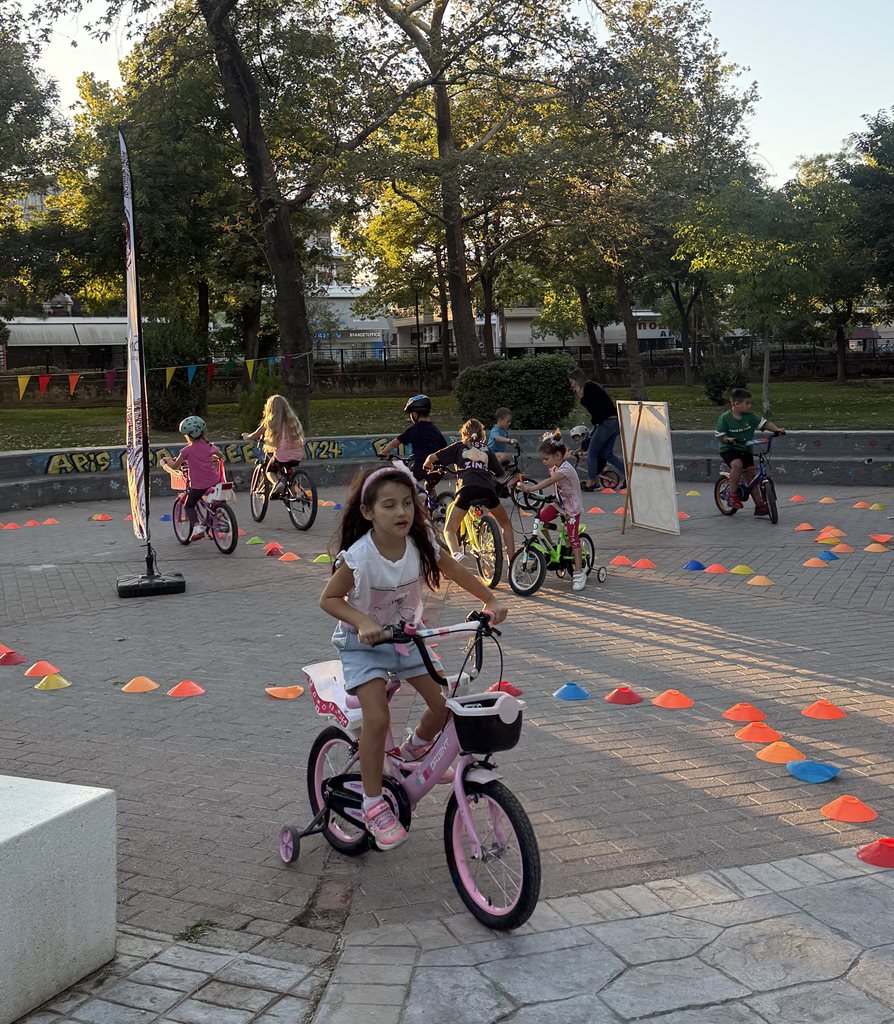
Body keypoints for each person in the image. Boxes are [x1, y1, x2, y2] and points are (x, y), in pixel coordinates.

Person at [320, 464, 507, 850]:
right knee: (377, 716)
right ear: (368, 512)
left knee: (444, 704)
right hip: (363, 646)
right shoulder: (359, 556)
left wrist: (489, 598)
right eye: (389, 505)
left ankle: (412, 751)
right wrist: (362, 621)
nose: (401, 512)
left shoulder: (420, 545)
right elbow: (329, 599)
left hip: (408, 640)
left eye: (407, 503)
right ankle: (373, 804)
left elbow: (453, 569)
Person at [424, 419, 516, 564]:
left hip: (466, 490)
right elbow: (499, 473)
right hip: (487, 490)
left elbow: (431, 458)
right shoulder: (487, 449)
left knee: (449, 529)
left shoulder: (459, 446)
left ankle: (457, 554)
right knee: (505, 524)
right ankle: (513, 562)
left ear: (463, 433)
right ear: (482, 435)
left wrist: (428, 467)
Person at [521, 434, 587, 592]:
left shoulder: (565, 469)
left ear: (557, 456)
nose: (544, 462)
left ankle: (578, 573)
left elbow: (550, 481)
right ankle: (550, 548)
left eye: (545, 459)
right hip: (559, 503)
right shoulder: (556, 464)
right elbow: (561, 460)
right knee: (540, 520)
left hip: (571, 508)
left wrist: (531, 488)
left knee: (573, 539)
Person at [715, 388, 785, 515]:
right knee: (738, 465)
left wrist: (777, 430)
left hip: (745, 449)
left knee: (751, 475)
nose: (750, 405)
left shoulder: (751, 416)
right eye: (747, 403)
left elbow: (765, 424)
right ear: (736, 404)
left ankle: (759, 506)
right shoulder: (725, 418)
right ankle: (733, 494)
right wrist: (727, 439)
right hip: (729, 449)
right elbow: (720, 435)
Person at [161, 416, 223, 541]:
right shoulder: (209, 446)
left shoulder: (186, 451)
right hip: (215, 481)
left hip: (198, 485)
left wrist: (166, 462)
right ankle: (220, 515)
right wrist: (213, 458)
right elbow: (220, 456)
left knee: (189, 505)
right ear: (203, 432)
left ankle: (197, 527)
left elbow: (175, 466)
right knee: (216, 499)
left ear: (187, 436)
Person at [569, 368, 625, 490]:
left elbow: (595, 407)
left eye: (572, 381)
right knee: (606, 453)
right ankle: (628, 475)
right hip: (613, 421)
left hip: (606, 422)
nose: (571, 384)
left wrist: (581, 396)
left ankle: (591, 481)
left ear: (577, 379)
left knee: (592, 452)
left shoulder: (589, 387)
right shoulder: (590, 387)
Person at [242, 394, 306, 496]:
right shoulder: (293, 419)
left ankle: (277, 483)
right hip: (298, 455)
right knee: (288, 471)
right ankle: (294, 492)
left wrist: (246, 437)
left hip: (282, 456)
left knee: (270, 470)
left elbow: (255, 435)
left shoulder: (270, 421)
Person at [379, 395, 448, 484]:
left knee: (408, 481)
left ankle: (416, 497)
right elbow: (444, 446)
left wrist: (384, 452)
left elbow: (396, 442)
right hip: (437, 467)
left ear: (415, 414)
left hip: (421, 467)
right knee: (429, 484)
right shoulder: (435, 429)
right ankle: (432, 497)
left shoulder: (414, 429)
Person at [487, 407, 520, 471]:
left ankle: (506, 479)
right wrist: (510, 440)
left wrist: (513, 443)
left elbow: (506, 440)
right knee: (506, 456)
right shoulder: (495, 429)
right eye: (508, 421)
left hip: (499, 455)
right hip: (491, 454)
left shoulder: (504, 431)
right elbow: (497, 438)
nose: (509, 423)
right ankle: (491, 469)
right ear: (500, 420)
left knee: (513, 467)